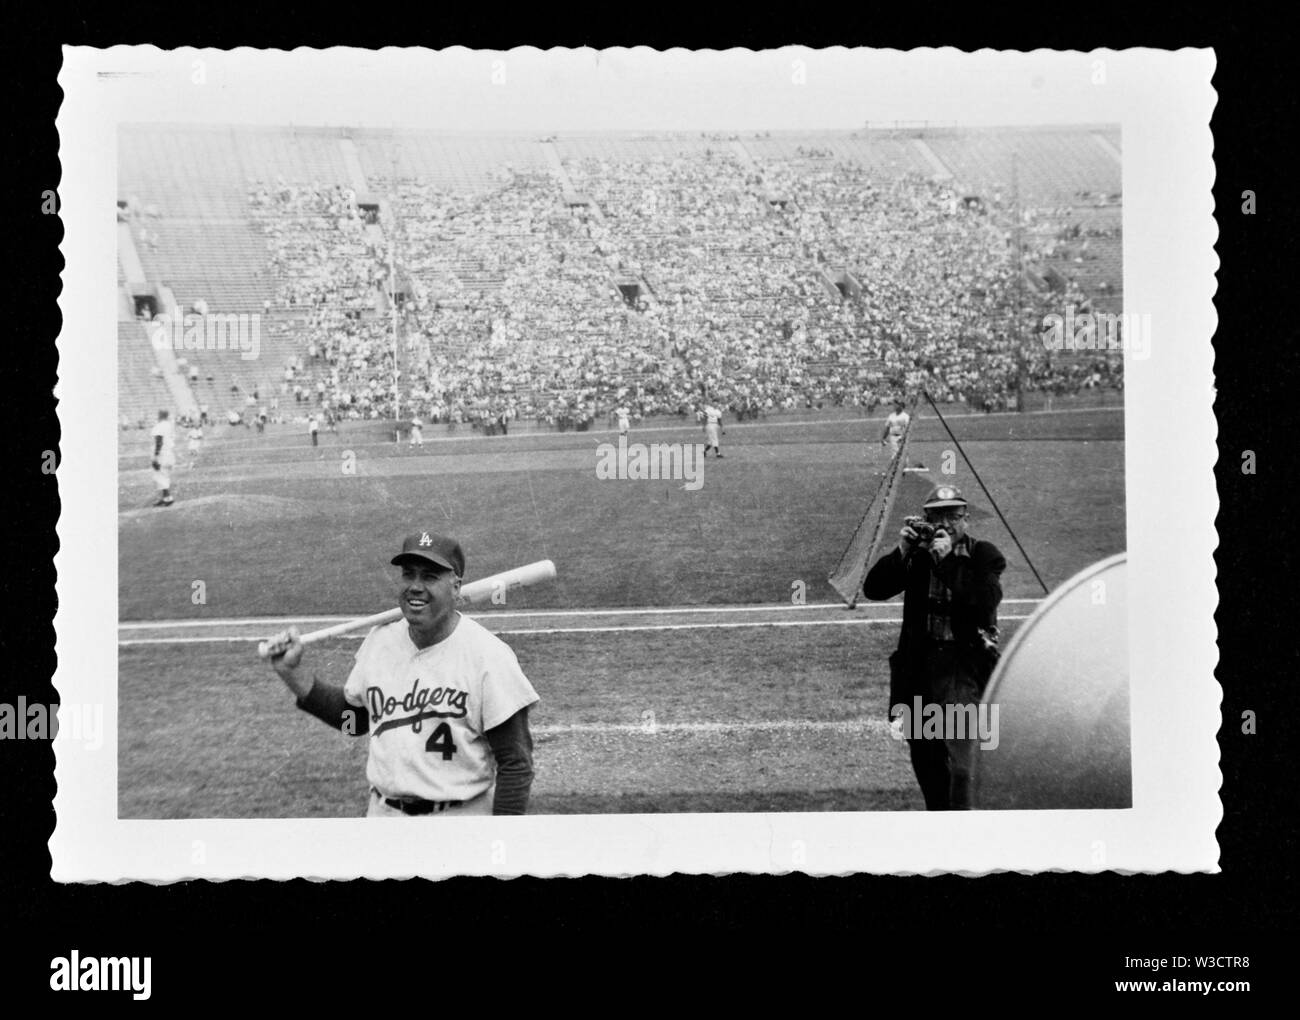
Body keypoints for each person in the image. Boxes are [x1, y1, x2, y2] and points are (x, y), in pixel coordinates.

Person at [265, 532, 539, 816]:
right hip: (385, 818)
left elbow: (515, 763)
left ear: (456, 587)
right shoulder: (380, 641)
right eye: (409, 575)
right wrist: (293, 674)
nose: (416, 587)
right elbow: (356, 722)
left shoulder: (488, 657)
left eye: (430, 577)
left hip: (459, 821)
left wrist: (504, 839)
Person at [862, 484, 1006, 810]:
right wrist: (902, 551)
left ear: (966, 519)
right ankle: (939, 828)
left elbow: (984, 602)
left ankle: (962, 829)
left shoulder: (983, 554)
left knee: (961, 767)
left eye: (953, 516)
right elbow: (874, 589)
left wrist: (947, 564)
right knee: (927, 763)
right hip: (919, 669)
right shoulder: (919, 555)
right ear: (927, 519)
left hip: (960, 669)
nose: (947, 524)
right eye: (938, 516)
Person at [150, 409, 176, 506]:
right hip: (169, 453)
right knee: (164, 475)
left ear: (160, 415)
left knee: (160, 476)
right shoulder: (169, 425)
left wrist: (156, 456)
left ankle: (168, 498)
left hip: (162, 454)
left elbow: (159, 442)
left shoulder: (159, 426)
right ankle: (165, 497)